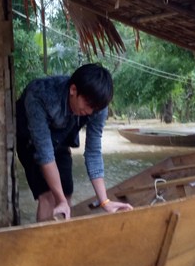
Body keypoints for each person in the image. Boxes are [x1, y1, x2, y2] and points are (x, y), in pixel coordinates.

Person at [16, 63, 133, 222]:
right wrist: (60, 199)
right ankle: (43, 244)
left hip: (62, 137)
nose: (90, 112)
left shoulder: (97, 105)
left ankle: (62, 242)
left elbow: (93, 152)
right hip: (31, 139)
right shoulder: (39, 95)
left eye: (95, 108)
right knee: (49, 196)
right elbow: (45, 154)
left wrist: (105, 201)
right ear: (73, 90)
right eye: (88, 105)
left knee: (66, 193)